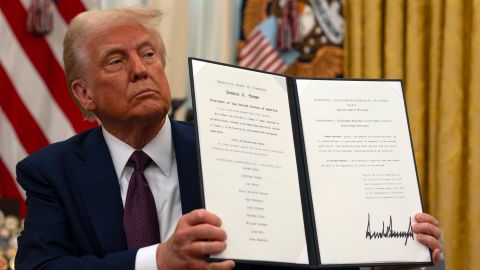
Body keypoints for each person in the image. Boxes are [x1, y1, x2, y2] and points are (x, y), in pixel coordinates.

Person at [15, 6, 442, 270]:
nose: (141, 69)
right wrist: (158, 262)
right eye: (115, 60)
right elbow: (40, 267)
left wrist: (382, 262)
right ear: (84, 93)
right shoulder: (51, 172)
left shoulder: (242, 146)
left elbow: (298, 256)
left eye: (148, 54)